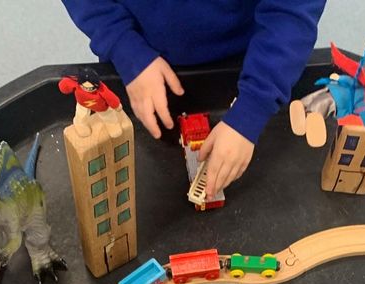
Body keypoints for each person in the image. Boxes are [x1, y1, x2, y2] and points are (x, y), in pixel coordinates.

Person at [60, 0, 327, 197]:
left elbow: (292, 13)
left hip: (247, 62)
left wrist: (253, 107)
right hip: (138, 60)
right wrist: (122, 44)